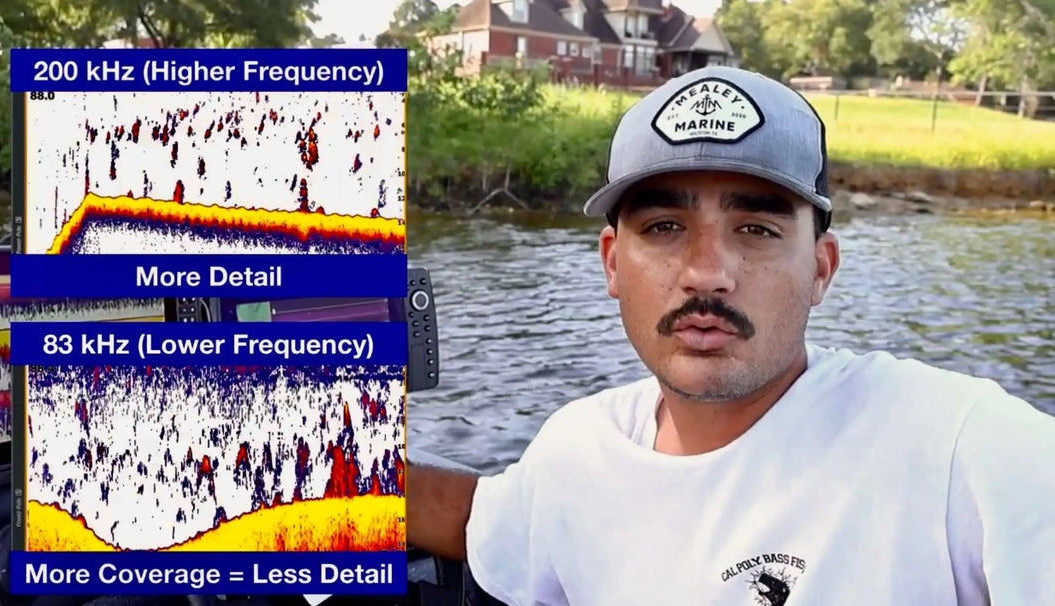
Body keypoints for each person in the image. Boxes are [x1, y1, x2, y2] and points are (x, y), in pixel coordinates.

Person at [406, 66, 1055, 605]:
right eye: (663, 227)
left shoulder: (967, 447)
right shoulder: (580, 450)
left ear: (820, 269)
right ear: (611, 263)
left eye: (757, 230)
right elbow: (478, 521)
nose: (706, 274)